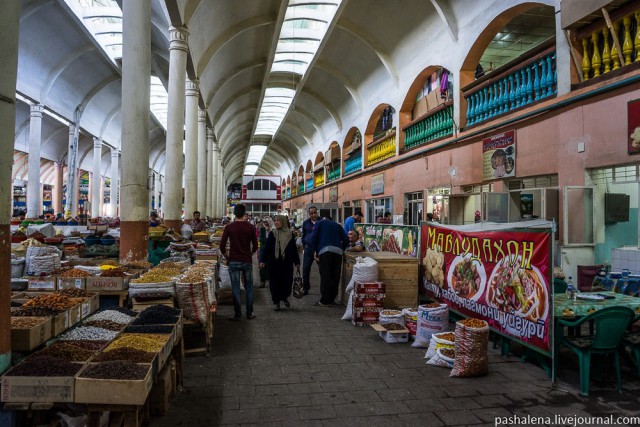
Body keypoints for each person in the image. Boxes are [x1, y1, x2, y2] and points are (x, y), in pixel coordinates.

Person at [220, 204, 259, 320]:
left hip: (234, 261)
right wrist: (250, 254)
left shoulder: (229, 227)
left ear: (234, 213)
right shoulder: (251, 227)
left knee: (235, 287)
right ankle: (249, 313)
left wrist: (227, 257)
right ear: (244, 213)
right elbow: (256, 246)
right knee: (249, 287)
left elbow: (222, 246)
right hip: (246, 261)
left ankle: (237, 314)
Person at [259, 215, 300, 311]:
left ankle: (284, 297)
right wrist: (262, 260)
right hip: (274, 263)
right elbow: (267, 249)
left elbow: (294, 250)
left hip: (286, 263)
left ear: (283, 222)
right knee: (274, 283)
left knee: (287, 282)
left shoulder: (290, 234)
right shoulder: (273, 234)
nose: (276, 222)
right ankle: (276, 302)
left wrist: (297, 262)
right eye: (275, 221)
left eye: (278, 221)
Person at [311, 216, 349, 307]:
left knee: (325, 276)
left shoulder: (319, 223)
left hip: (325, 251)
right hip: (338, 252)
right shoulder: (338, 225)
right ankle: (331, 299)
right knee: (335, 277)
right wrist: (341, 249)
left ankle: (324, 301)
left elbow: (313, 238)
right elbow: (346, 239)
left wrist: (316, 251)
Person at [301, 206, 320, 296]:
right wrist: (304, 246)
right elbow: (303, 236)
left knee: (322, 269)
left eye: (314, 213)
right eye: (311, 213)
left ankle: (324, 289)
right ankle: (305, 288)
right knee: (305, 269)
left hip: (319, 249)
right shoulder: (306, 223)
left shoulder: (322, 222)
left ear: (317, 212)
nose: (313, 215)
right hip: (308, 249)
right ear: (309, 214)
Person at [258, 219, 270, 288]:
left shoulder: (273, 229)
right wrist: (269, 241)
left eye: (267, 222)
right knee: (262, 265)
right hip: (263, 250)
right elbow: (261, 239)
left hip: (271, 251)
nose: (266, 223)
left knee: (270, 265)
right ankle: (262, 281)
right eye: (265, 222)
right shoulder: (262, 229)